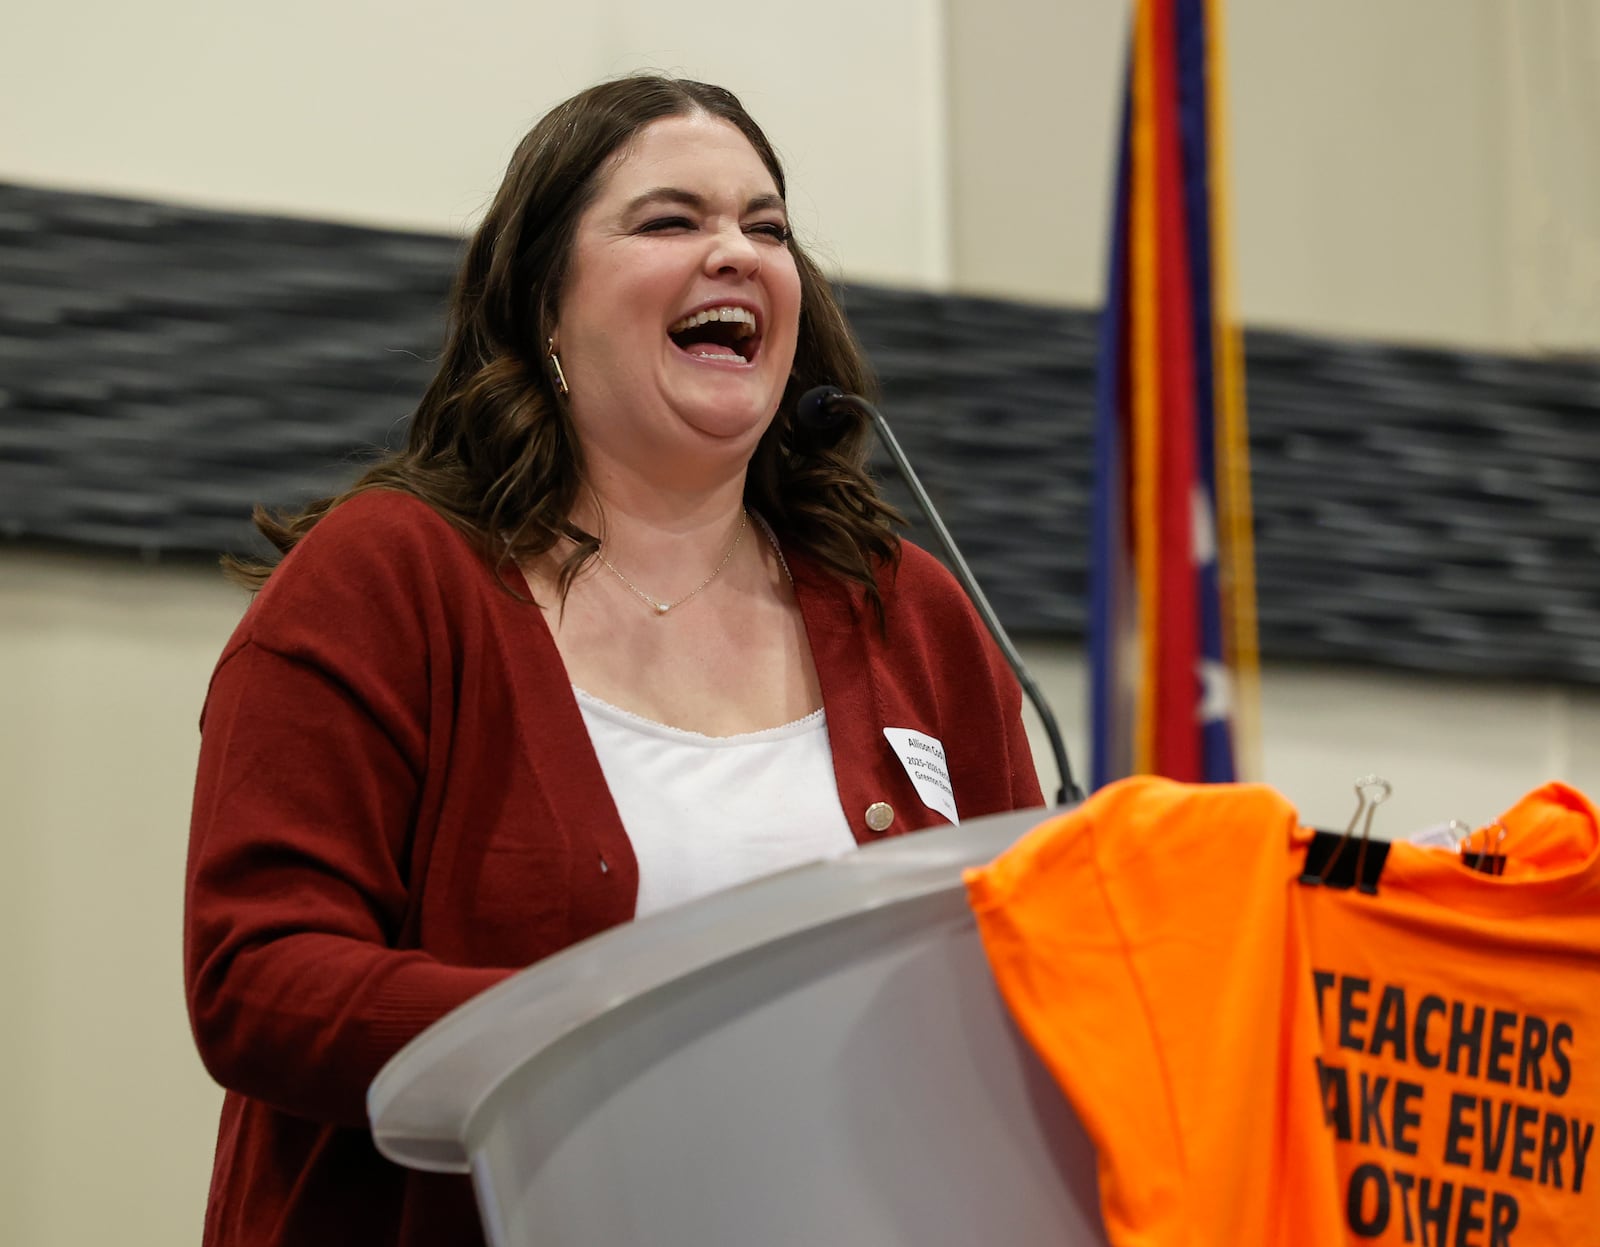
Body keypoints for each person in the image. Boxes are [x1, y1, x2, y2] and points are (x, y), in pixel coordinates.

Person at [184, 74, 1043, 1247]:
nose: (736, 252)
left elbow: (1038, 974)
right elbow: (258, 974)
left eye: (768, 227)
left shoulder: (912, 612)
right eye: (671, 220)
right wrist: (613, 1040)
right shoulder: (385, 579)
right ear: (545, 304)